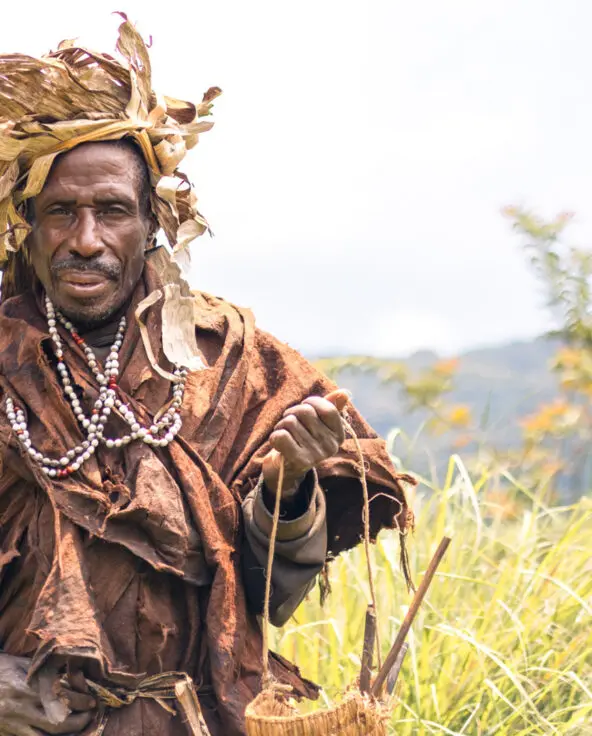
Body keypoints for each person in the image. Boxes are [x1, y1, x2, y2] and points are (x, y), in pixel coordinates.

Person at [0, 17, 414, 736]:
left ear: (153, 223)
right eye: (61, 212)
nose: (86, 239)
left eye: (113, 212)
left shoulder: (233, 365)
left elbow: (261, 599)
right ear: (24, 224)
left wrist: (286, 493)